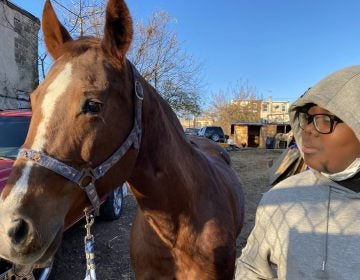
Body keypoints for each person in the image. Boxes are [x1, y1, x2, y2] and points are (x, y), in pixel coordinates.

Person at [235, 66, 360, 280]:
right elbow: (252, 268)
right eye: (307, 118)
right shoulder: (279, 199)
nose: (307, 130)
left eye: (325, 118)